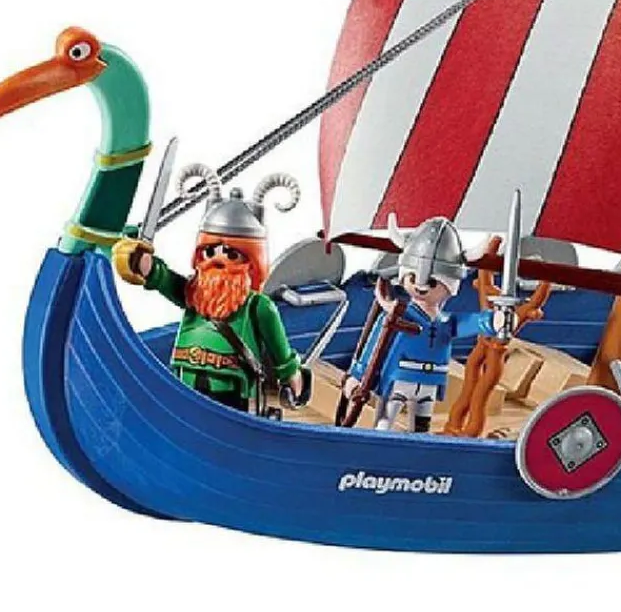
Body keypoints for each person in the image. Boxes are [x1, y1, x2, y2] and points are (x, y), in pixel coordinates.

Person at [112, 165, 308, 413]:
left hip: (231, 394)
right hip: (185, 384)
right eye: (210, 251)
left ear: (252, 262)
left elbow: (280, 351)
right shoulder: (194, 294)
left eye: (232, 254)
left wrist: (292, 376)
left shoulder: (258, 307)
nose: (218, 259)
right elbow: (162, 278)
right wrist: (139, 261)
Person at [340, 216, 493, 432]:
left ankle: (417, 447)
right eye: (413, 278)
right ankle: (379, 444)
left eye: (432, 282)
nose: (421, 286)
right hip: (399, 378)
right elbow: (374, 347)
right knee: (385, 422)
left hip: (430, 381)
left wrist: (491, 320)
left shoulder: (445, 322)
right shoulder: (397, 316)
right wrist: (357, 376)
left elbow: (469, 323)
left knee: (421, 427)